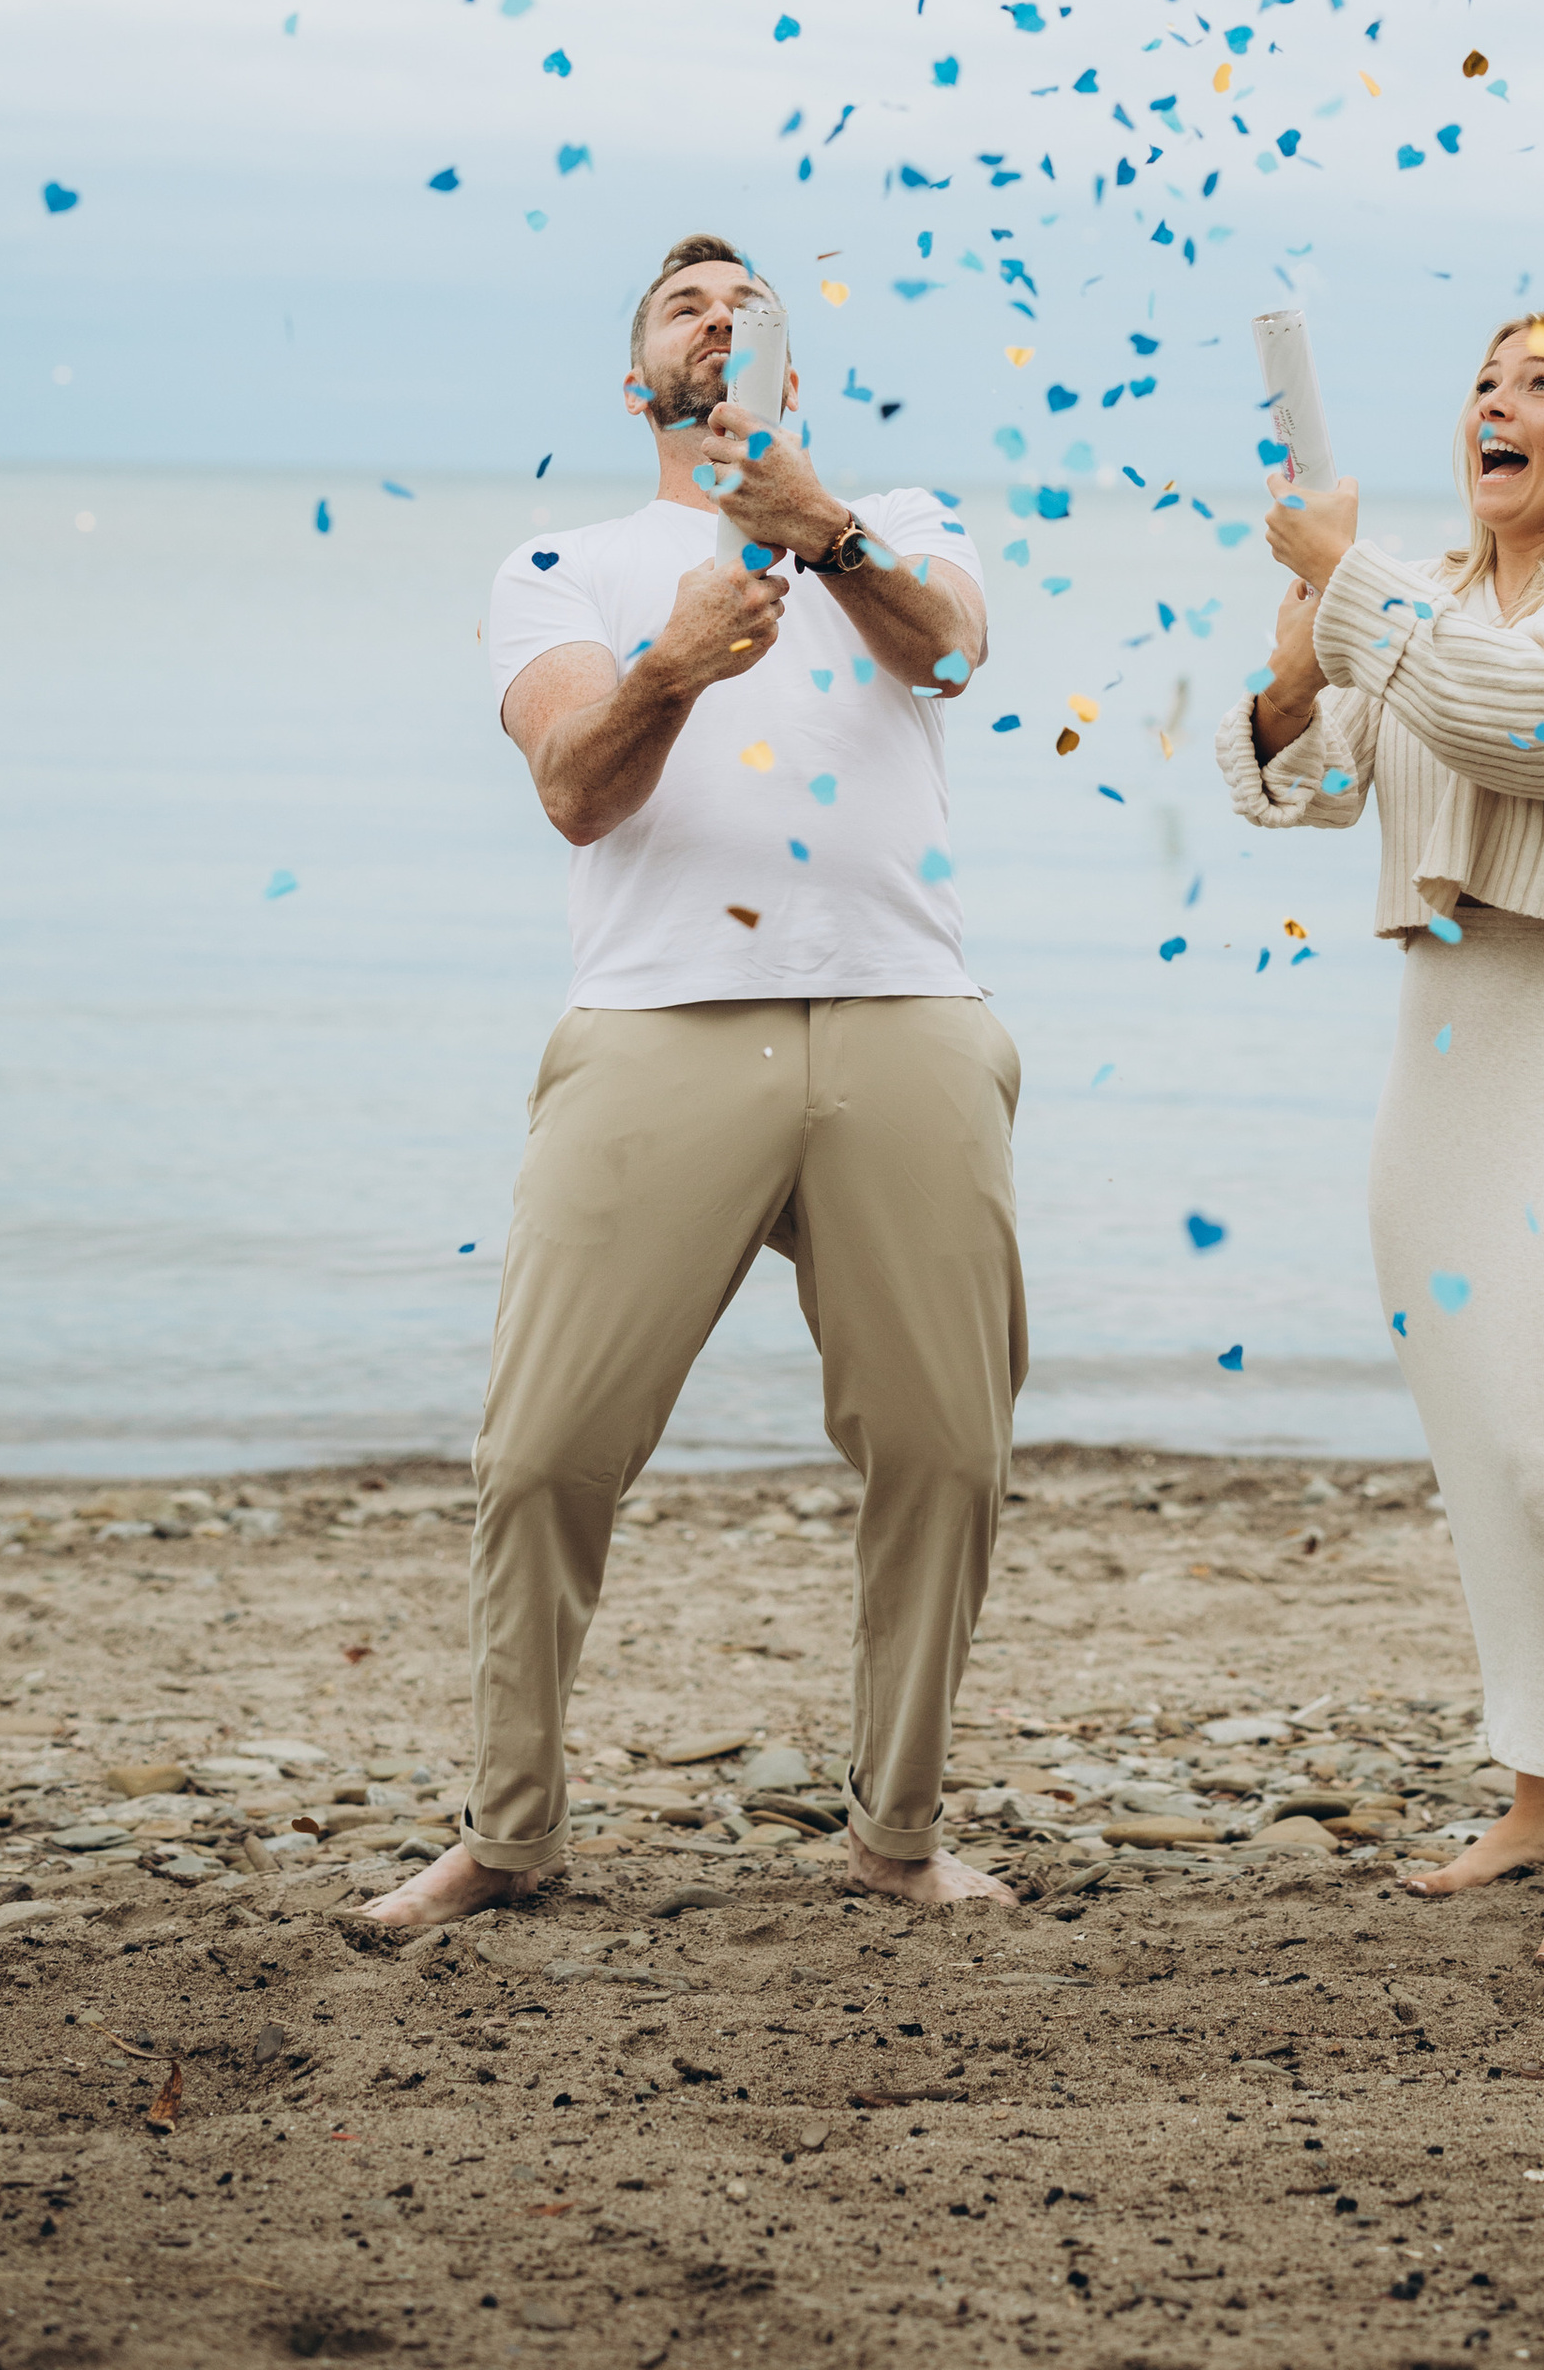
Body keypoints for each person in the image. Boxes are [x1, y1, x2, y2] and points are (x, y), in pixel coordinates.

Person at [370, 234, 1026, 1930]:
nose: (717, 318)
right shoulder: (562, 564)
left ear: (793, 376)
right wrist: (673, 661)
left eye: (749, 308)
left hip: (906, 1013)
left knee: (944, 1451)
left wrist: (828, 529)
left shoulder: (905, 520)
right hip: (660, 1023)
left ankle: (898, 1835)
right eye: (683, 302)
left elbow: (948, 655)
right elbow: (577, 792)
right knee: (543, 1453)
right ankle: (509, 1837)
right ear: (638, 372)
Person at [1216, 309, 1544, 1971]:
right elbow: (1300, 791)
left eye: (1538, 387)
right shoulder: (1423, 598)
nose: (1493, 408)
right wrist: (1302, 661)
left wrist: (1361, 590)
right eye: (1483, 383)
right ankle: (1541, 1796)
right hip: (1443, 1056)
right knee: (1480, 1459)